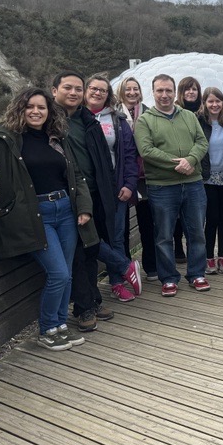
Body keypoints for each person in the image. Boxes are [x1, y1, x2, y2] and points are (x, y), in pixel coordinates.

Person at [0, 87, 97, 351]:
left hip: (66, 210)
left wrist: (83, 208)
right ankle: (47, 329)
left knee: (65, 274)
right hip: (35, 214)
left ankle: (59, 325)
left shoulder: (56, 137)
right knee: (58, 273)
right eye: (29, 107)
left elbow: (76, 175)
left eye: (41, 107)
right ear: (20, 110)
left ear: (48, 111)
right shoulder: (5, 138)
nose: (35, 112)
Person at [53, 71, 139, 332]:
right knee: (82, 251)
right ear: (54, 89)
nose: (74, 93)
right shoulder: (48, 117)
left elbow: (107, 157)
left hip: (95, 193)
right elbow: (8, 130)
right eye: (68, 88)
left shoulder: (86, 120)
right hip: (66, 195)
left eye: (77, 89)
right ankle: (86, 306)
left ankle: (92, 299)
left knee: (89, 249)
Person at [134, 74, 211, 297]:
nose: (165, 95)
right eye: (160, 91)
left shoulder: (188, 116)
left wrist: (192, 160)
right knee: (164, 235)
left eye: (168, 90)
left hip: (193, 183)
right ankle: (168, 278)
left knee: (196, 232)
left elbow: (201, 142)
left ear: (174, 92)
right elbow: (146, 150)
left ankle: (197, 274)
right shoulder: (145, 120)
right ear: (153, 92)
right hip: (162, 186)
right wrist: (177, 164)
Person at [85, 73, 142, 303]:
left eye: (103, 90)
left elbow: (129, 155)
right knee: (89, 238)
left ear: (109, 95)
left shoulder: (117, 120)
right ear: (86, 90)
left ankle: (117, 283)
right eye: (94, 88)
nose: (98, 93)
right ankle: (126, 267)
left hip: (115, 188)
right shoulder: (75, 118)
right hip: (87, 190)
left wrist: (129, 184)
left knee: (116, 237)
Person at [115, 76, 157, 280]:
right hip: (121, 175)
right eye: (128, 89)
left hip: (145, 175)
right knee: (121, 224)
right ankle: (124, 267)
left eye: (135, 89)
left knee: (147, 221)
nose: (132, 92)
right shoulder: (113, 114)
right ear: (121, 92)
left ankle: (151, 265)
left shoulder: (148, 112)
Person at [198, 86, 223, 275]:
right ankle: (209, 257)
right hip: (208, 177)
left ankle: (222, 255)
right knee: (211, 218)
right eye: (210, 101)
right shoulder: (199, 122)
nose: (214, 105)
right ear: (205, 103)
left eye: (218, 101)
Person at [172, 75, 202, 263]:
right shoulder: (175, 112)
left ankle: (197, 254)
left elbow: (202, 141)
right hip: (178, 170)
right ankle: (178, 246)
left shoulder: (204, 112)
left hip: (199, 171)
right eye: (187, 89)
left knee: (196, 217)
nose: (191, 92)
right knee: (176, 215)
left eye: (194, 89)